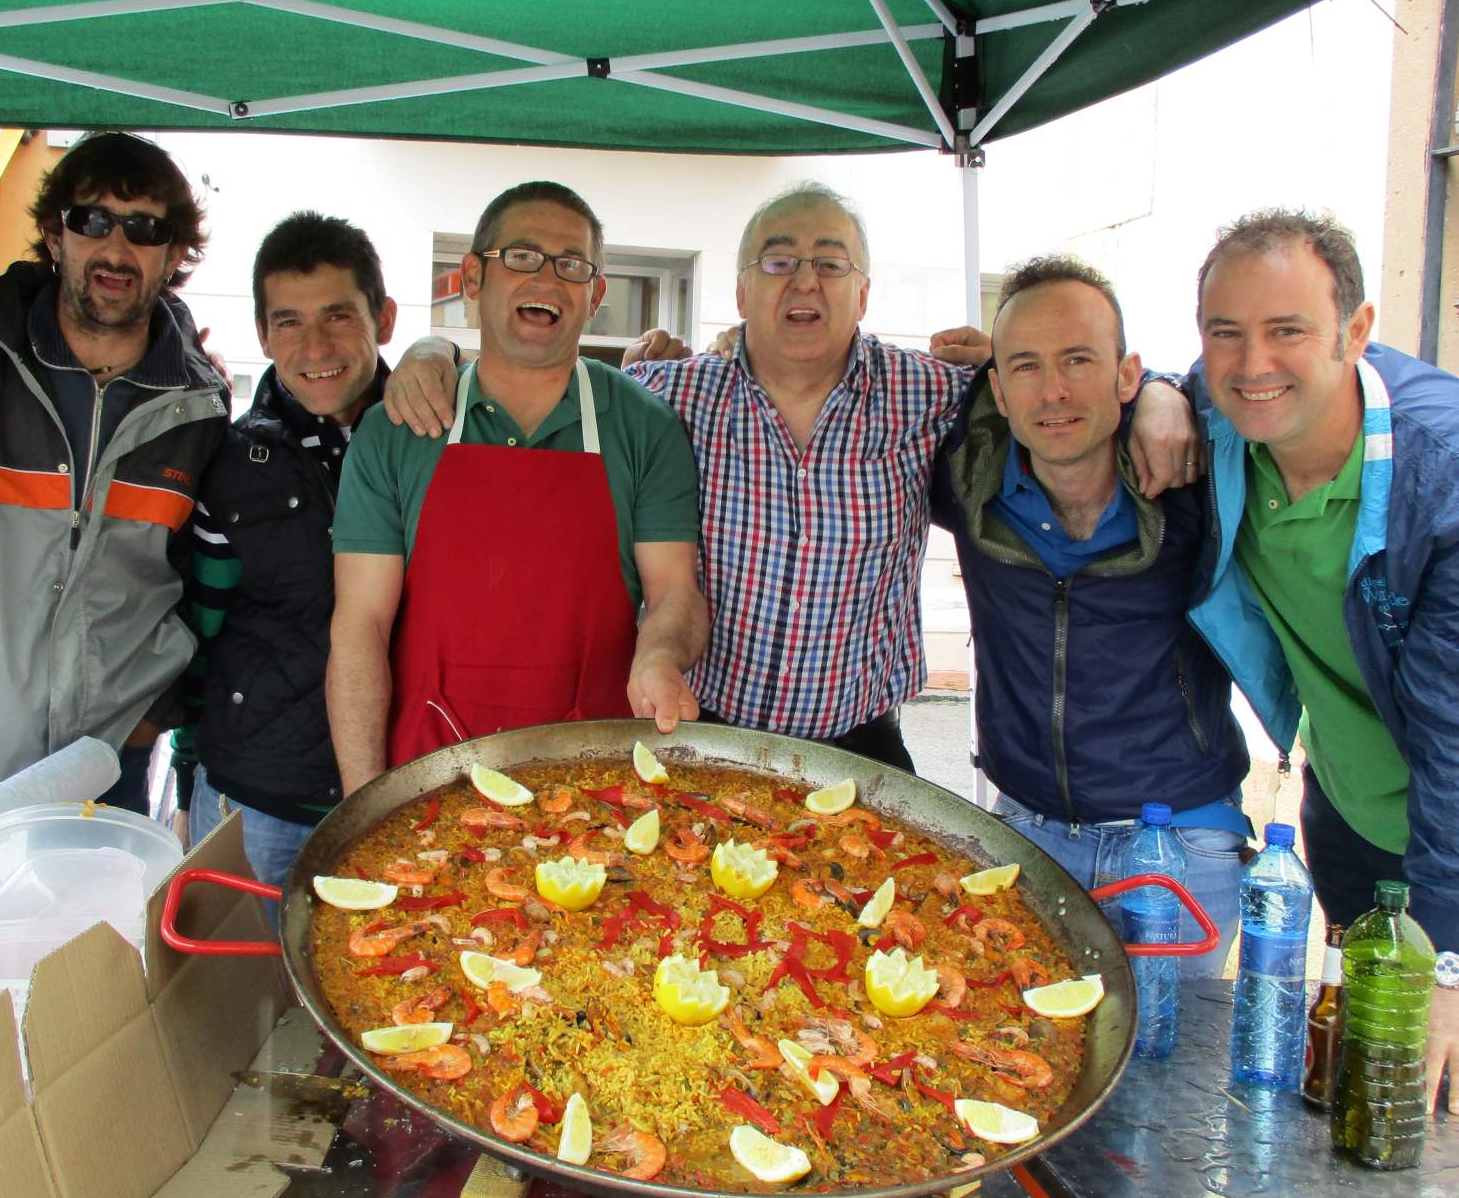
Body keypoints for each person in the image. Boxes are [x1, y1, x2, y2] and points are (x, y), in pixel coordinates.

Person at [382, 182, 1197, 771]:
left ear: (864, 293)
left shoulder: (931, 394)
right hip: (702, 733)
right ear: (741, 291)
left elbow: (1062, 374)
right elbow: (540, 371)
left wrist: (1159, 390)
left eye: (830, 264)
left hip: (861, 745)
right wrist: (435, 349)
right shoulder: (671, 395)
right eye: (778, 262)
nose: (804, 280)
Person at [1188, 207, 1459, 1104]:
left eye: (1288, 332)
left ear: (1356, 331)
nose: (1252, 364)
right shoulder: (1215, 419)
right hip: (1356, 833)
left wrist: (1452, 967)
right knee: (1372, 1106)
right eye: (1225, 334)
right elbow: (1090, 390)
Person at [0, 132, 227, 826]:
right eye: (92, 219)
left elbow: (197, 585)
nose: (116, 248)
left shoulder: (200, 411)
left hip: (102, 771)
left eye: (146, 228)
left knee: (87, 943)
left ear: (174, 252)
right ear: (54, 233)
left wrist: (149, 718)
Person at [327, 181, 706, 791]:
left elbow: (674, 593)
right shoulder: (397, 427)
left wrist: (661, 656)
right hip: (426, 771)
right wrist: (362, 803)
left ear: (595, 294)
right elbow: (360, 626)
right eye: (522, 257)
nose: (547, 279)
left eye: (572, 265)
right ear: (473, 277)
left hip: (594, 775)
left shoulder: (646, 426)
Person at [932, 256, 1250, 975]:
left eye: (1078, 359)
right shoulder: (965, 480)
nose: (1054, 390)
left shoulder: (1197, 483)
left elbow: (1294, 387)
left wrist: (1172, 390)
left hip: (1179, 845)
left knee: (1166, 1074)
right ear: (1000, 393)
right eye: (1026, 366)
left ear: (1126, 374)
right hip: (1029, 833)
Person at [175, 211, 399, 886]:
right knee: (241, 990)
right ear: (262, 334)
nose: (314, 345)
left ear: (383, 319)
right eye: (288, 321)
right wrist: (191, 765)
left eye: (338, 315)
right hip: (258, 800)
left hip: (404, 787)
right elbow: (199, 632)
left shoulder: (436, 442)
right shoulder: (233, 462)